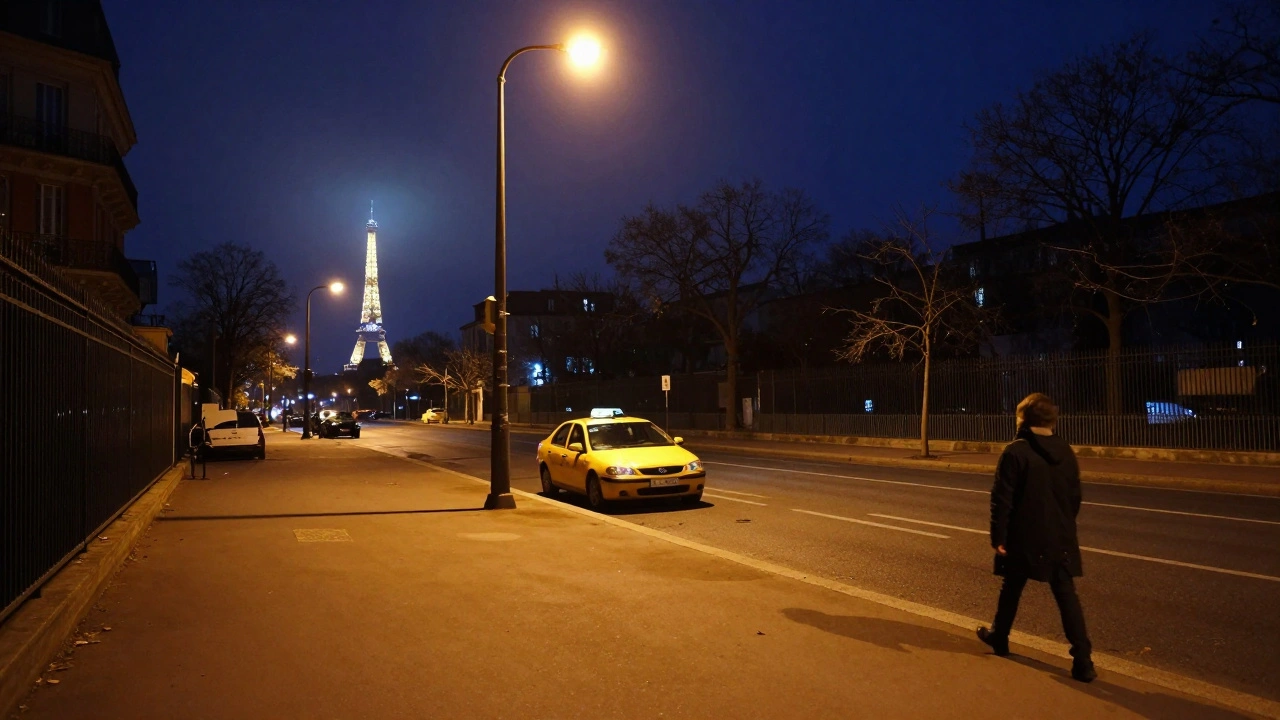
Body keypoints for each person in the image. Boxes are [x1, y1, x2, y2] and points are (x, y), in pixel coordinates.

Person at [977, 393, 1096, 683]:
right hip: (1060, 535)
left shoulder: (1016, 451)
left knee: (1012, 586)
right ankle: (1083, 660)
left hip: (1024, 535)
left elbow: (1002, 500)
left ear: (1023, 419)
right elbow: (1075, 497)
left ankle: (1000, 638)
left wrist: (999, 536)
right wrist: (1063, 525)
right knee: (1065, 593)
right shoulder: (1065, 450)